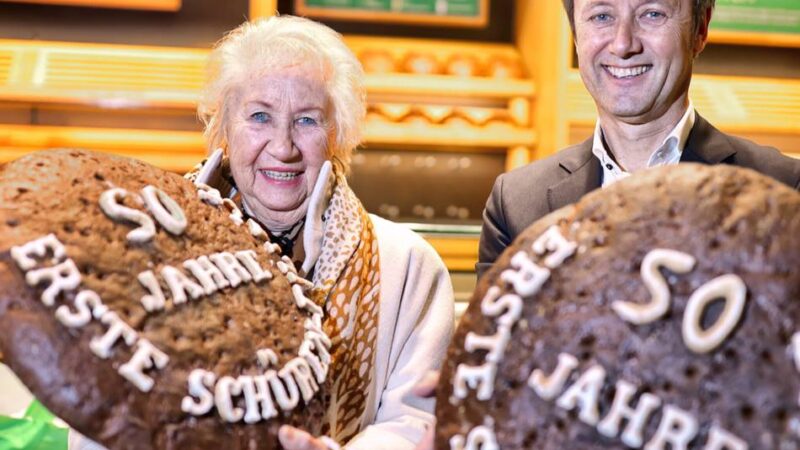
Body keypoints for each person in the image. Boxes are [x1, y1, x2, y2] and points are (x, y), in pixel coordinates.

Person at [71, 15, 454, 450]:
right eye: (259, 116)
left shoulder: (407, 266)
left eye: (307, 120)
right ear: (223, 130)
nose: (283, 146)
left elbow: (416, 422)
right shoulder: (145, 250)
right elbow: (100, 413)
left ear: (338, 135)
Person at [477, 0, 800, 279]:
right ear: (575, 33)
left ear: (700, 29)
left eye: (652, 14)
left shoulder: (784, 190)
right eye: (602, 16)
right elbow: (495, 347)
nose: (623, 44)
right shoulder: (515, 205)